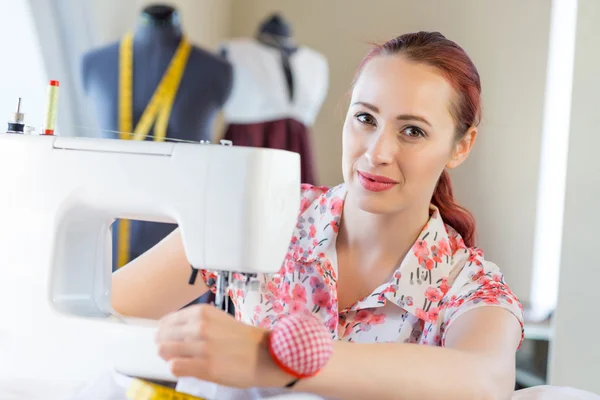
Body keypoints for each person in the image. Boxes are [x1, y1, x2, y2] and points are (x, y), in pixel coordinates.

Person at [112, 31, 524, 400]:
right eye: (365, 118)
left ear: (461, 146)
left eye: (412, 131)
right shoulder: (257, 218)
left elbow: (485, 380)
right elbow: (100, 313)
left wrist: (272, 361)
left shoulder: (470, 286)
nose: (377, 153)